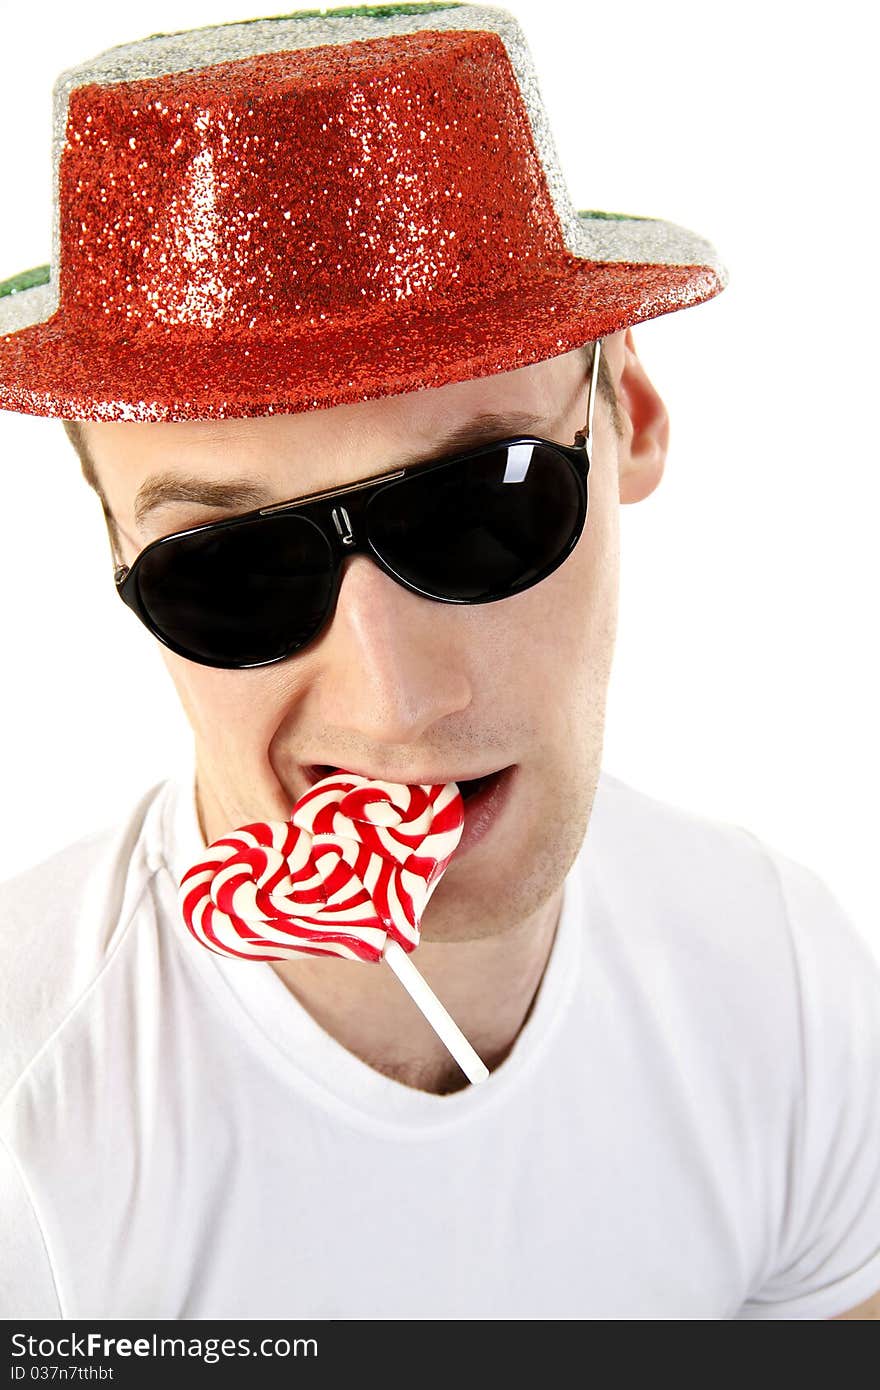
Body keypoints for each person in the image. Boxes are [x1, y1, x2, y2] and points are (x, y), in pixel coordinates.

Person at [1, 3, 878, 1322]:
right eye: (230, 569)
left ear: (626, 415)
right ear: (115, 557)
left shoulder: (786, 986)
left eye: (481, 504)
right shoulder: (31, 1144)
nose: (398, 699)